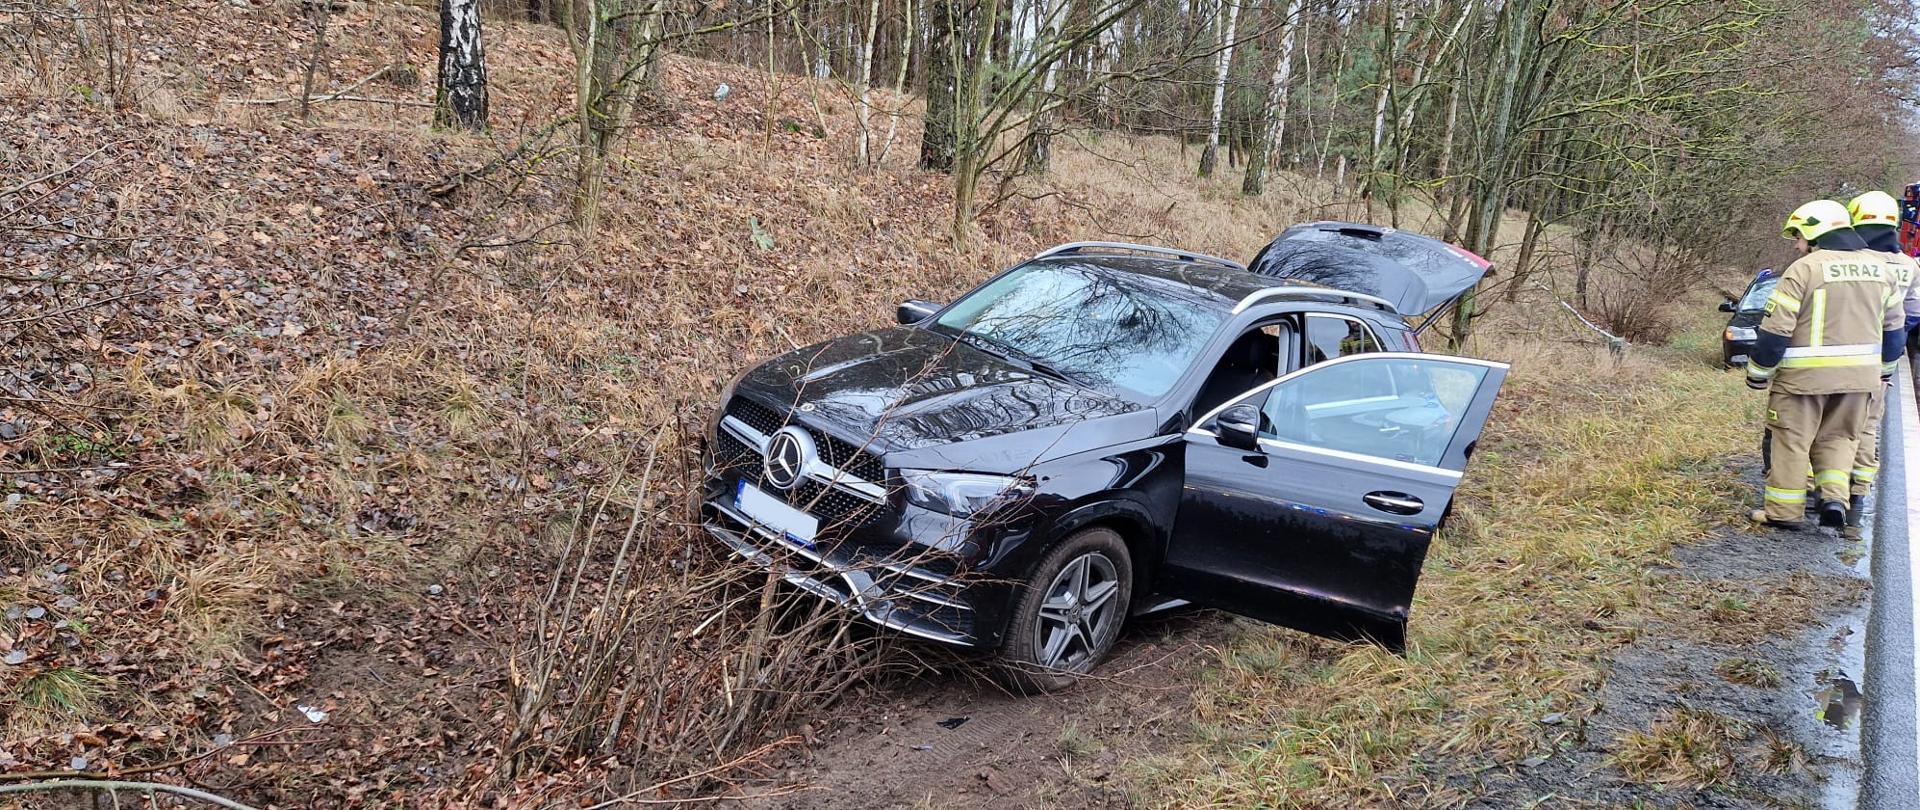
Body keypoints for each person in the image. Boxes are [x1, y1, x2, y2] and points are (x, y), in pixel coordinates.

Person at [1746, 200, 1904, 529]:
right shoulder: (1881, 269)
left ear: (1817, 232)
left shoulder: (1805, 268)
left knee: (1791, 440)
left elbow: (1775, 331)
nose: (1797, 244)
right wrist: (1884, 371)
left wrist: (1758, 373)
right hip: (1861, 379)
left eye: (1800, 236)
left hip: (1803, 380)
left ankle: (1784, 513)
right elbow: (1894, 331)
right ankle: (1834, 499)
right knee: (1840, 439)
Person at [1840, 191, 1920, 536]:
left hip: (1843, 349)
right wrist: (1894, 339)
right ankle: (1858, 496)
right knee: (1867, 425)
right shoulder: (1908, 265)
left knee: (1828, 423)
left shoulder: (1851, 258)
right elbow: (1913, 312)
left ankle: (1824, 491)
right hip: (1882, 358)